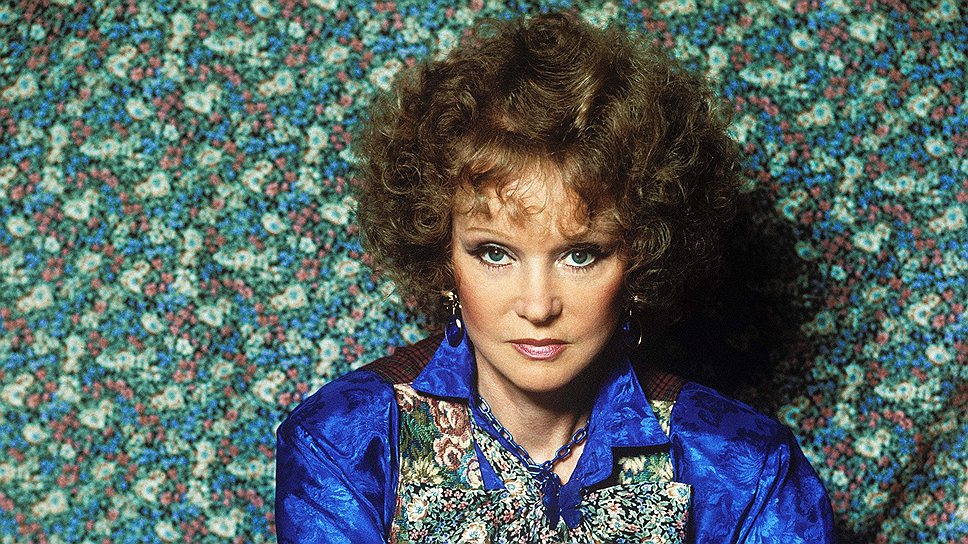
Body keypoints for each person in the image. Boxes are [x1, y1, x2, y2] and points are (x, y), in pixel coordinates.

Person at [275, 12, 836, 543]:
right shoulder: (347, 444)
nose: (538, 306)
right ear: (443, 256)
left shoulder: (742, 466)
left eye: (580, 256)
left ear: (640, 259)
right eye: (495, 254)